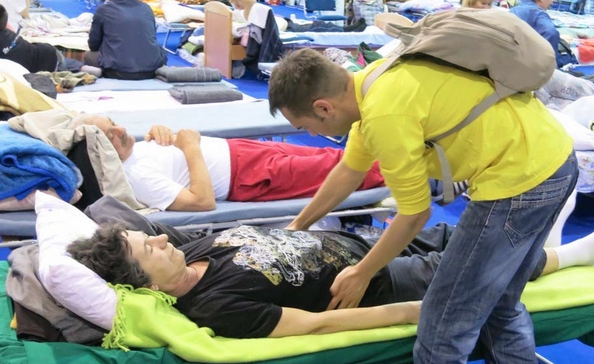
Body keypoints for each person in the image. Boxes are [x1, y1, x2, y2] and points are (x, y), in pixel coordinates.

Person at [267, 48, 579, 364]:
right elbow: (349, 171)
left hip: (518, 181)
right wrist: (300, 223)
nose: (314, 135)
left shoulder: (384, 114)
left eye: (307, 128)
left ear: (323, 107)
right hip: (553, 162)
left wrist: (362, 271)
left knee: (443, 323)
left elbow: (414, 217)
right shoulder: (371, 83)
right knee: (501, 305)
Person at [67, 195, 594, 341]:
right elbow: (317, 325)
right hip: (383, 283)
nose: (156, 239)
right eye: (147, 249)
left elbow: (120, 216)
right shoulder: (215, 306)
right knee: (471, 260)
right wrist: (414, 310)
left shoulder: (189, 253)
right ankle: (572, 254)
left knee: (460, 229)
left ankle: (546, 240)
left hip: (359, 244)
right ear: (140, 282)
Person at [73, 114, 385, 212]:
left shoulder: (135, 151)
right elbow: (203, 202)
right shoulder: (135, 178)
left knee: (336, 157)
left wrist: (164, 133)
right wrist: (191, 147)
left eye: (115, 123)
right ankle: (418, 171)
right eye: (111, 134)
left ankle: (402, 154)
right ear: (99, 150)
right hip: (249, 176)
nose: (123, 130)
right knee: (351, 171)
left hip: (243, 151)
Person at [83, 0, 167, 80]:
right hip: (151, 70)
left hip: (116, 71)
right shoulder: (146, 8)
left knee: (88, 55)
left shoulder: (103, 9)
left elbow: (93, 45)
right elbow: (151, 38)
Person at [0, 4, 84, 73]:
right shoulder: (7, 31)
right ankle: (85, 68)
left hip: (48, 63)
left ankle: (85, 68)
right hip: (48, 54)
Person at [509, 0, 568, 68]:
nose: (552, 2)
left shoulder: (513, 10)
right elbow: (551, 33)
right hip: (531, 67)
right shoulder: (538, 13)